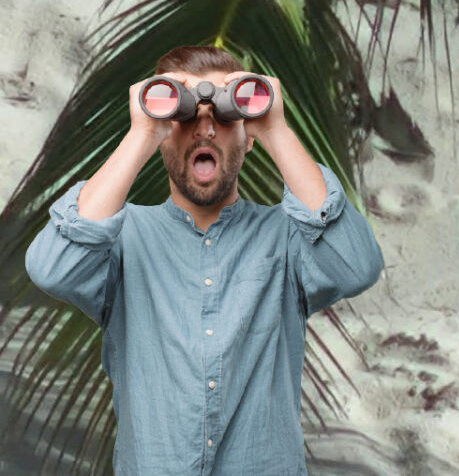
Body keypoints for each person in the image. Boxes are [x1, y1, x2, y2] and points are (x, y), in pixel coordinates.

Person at [24, 46, 384, 474]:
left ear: (248, 137)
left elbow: (358, 265)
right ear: (163, 134)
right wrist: (142, 133)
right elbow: (52, 267)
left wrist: (275, 129)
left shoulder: (287, 237)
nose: (206, 129)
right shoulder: (121, 239)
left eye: (225, 117)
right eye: (187, 115)